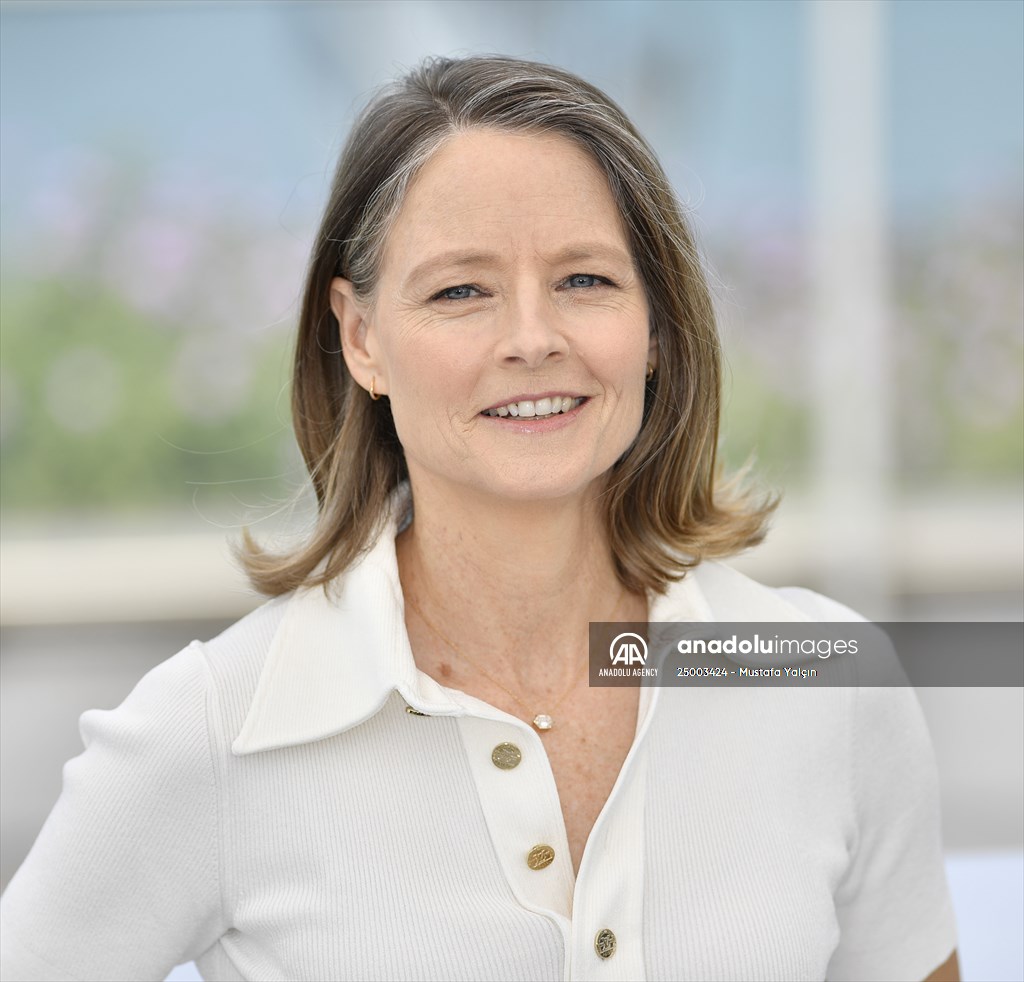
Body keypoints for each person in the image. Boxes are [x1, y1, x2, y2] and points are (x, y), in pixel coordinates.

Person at [0, 55, 959, 982]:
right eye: (461, 290)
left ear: (658, 327)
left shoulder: (830, 686)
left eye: (586, 280)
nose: (535, 339)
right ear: (361, 337)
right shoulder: (213, 732)